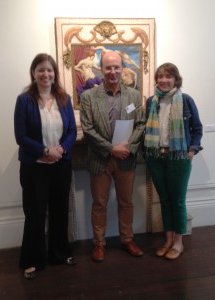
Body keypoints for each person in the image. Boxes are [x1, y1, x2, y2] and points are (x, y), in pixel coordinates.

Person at [14, 53, 77, 279]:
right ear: (33, 73)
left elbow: (72, 131)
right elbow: (20, 136)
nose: (46, 74)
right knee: (35, 214)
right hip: (35, 167)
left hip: (60, 164)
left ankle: (60, 253)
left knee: (60, 210)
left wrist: (61, 149)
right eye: (41, 70)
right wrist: (44, 151)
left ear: (55, 73)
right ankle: (32, 260)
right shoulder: (24, 100)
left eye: (50, 70)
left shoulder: (64, 98)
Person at [80, 51, 146, 262]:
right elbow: (88, 129)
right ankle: (99, 243)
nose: (113, 71)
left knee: (126, 202)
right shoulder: (89, 97)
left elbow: (140, 124)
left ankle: (127, 240)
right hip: (100, 159)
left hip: (126, 158)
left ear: (122, 68)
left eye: (116, 67)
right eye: (108, 67)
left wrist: (128, 145)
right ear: (101, 69)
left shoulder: (134, 96)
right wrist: (110, 149)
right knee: (99, 204)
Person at [143, 63, 203, 260]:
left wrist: (192, 150)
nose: (164, 80)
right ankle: (168, 239)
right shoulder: (152, 101)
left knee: (177, 201)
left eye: (168, 76)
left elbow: (197, 128)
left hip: (178, 158)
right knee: (165, 200)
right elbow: (146, 128)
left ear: (176, 79)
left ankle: (178, 242)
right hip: (156, 158)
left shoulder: (185, 100)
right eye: (160, 76)